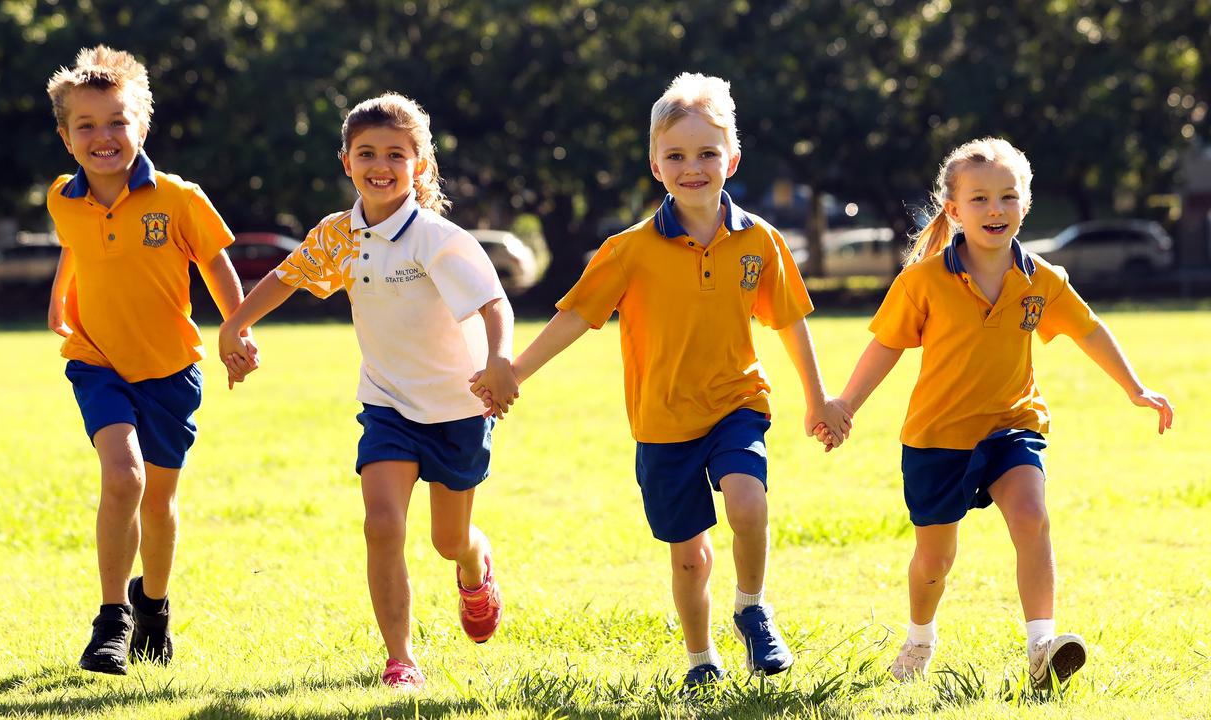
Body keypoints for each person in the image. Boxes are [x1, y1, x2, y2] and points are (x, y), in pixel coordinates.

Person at [471, 73, 851, 689]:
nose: (692, 167)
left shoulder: (761, 240)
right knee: (689, 556)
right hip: (662, 421)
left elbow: (790, 322)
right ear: (655, 164)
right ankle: (702, 660)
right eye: (676, 155)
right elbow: (574, 317)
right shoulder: (630, 250)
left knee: (748, 502)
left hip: (737, 403)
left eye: (707, 154)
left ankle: (752, 607)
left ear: (732, 157)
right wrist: (512, 371)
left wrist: (819, 399)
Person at [833, 137, 1174, 688]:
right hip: (937, 437)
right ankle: (920, 638)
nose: (996, 209)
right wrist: (845, 404)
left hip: (1012, 426)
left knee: (1032, 518)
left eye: (1008, 197)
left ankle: (1042, 645)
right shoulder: (923, 281)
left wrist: (1135, 388)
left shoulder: (1042, 278)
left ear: (1026, 204)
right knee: (934, 562)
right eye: (981, 199)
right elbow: (886, 346)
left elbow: (1089, 330)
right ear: (954, 210)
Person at [217, 93, 517, 691]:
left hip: (458, 407)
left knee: (446, 538)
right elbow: (286, 276)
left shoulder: (436, 238)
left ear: (421, 166)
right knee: (381, 525)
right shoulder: (340, 235)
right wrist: (235, 323)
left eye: (395, 154)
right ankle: (400, 658)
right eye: (366, 153)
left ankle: (473, 563)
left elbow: (493, 304)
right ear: (346, 162)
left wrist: (501, 361)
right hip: (387, 403)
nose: (380, 165)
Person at [45, 45, 254, 674]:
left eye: (117, 121)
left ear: (142, 126)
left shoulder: (178, 198)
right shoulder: (62, 196)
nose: (103, 136)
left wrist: (236, 330)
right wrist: (58, 300)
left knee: (159, 504)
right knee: (124, 476)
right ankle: (111, 619)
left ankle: (153, 605)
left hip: (170, 371)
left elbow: (216, 263)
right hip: (97, 360)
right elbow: (75, 245)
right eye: (86, 125)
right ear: (66, 136)